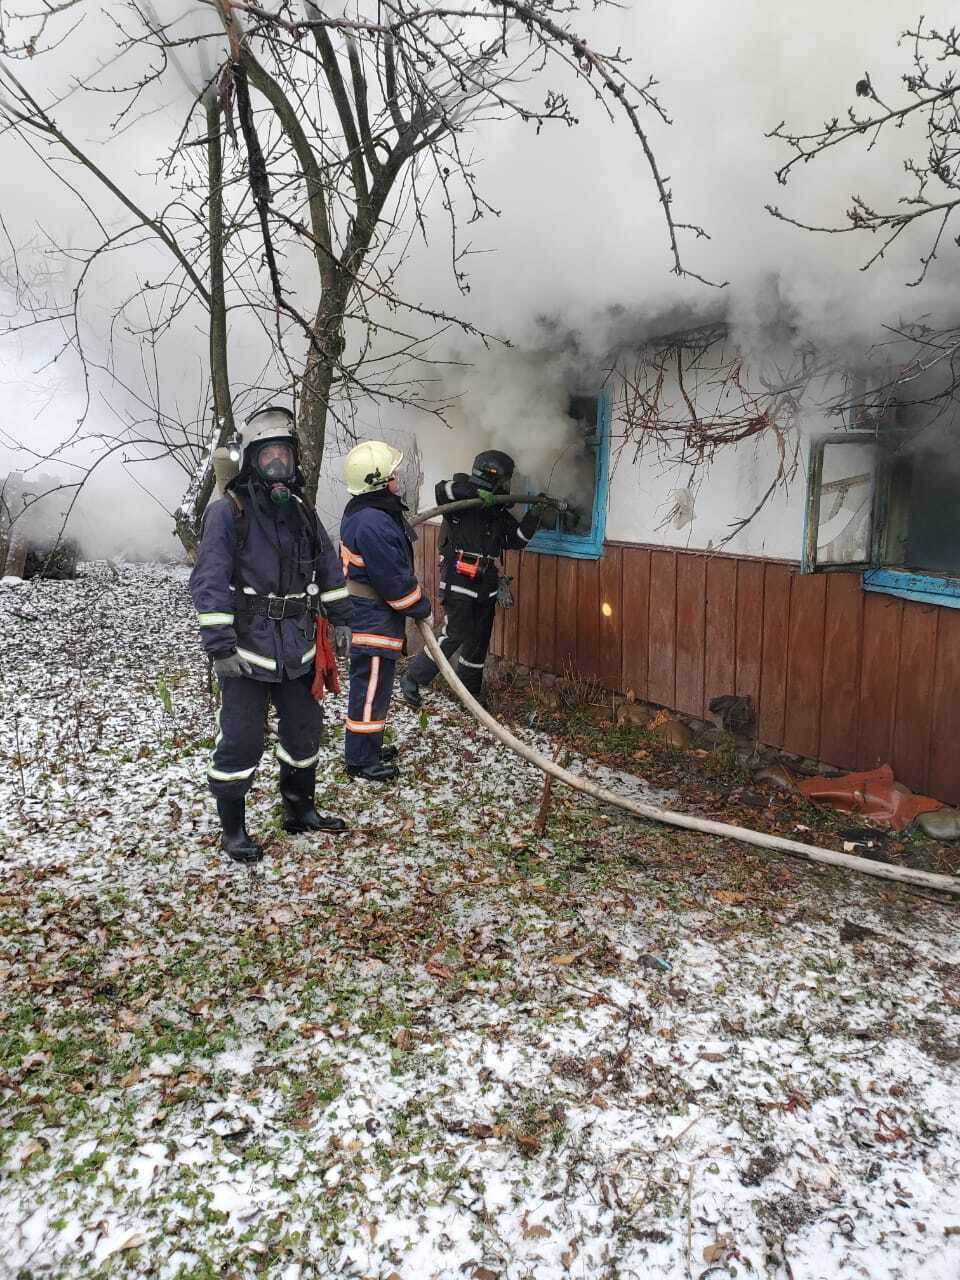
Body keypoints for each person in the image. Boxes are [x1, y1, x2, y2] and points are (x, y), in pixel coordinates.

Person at [189, 405, 353, 863]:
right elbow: (209, 580)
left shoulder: (301, 511)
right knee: (240, 740)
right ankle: (233, 830)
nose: (278, 466)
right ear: (251, 462)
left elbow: (328, 565)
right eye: (269, 457)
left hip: (298, 648)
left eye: (285, 456)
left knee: (304, 734)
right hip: (245, 653)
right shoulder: (229, 512)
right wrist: (219, 647)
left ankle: (298, 810)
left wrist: (341, 618)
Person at [400, 450, 548, 708]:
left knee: (479, 639)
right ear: (492, 478)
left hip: (487, 582)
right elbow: (443, 490)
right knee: (455, 632)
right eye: (504, 481)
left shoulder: (497, 512)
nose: (507, 486)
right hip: (459, 577)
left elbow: (517, 540)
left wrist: (534, 514)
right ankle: (413, 677)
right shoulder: (461, 501)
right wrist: (475, 493)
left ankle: (469, 696)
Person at [339, 440, 431, 781]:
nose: (397, 479)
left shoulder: (368, 512)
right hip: (372, 619)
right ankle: (361, 760)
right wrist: (421, 606)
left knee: (373, 688)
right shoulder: (373, 523)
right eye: (392, 475)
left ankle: (368, 746)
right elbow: (395, 582)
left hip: (369, 614)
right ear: (378, 481)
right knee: (370, 689)